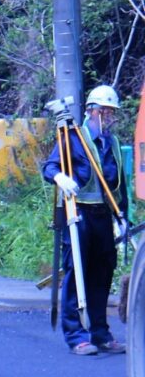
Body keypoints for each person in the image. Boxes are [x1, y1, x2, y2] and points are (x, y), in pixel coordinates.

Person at [41, 84, 128, 356]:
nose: (110, 117)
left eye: (112, 112)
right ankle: (76, 335)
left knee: (102, 275)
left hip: (103, 217)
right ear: (92, 112)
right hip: (78, 214)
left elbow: (119, 185)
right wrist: (59, 177)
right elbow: (50, 166)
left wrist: (121, 216)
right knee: (76, 274)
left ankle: (100, 333)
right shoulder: (73, 137)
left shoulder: (111, 142)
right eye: (106, 112)